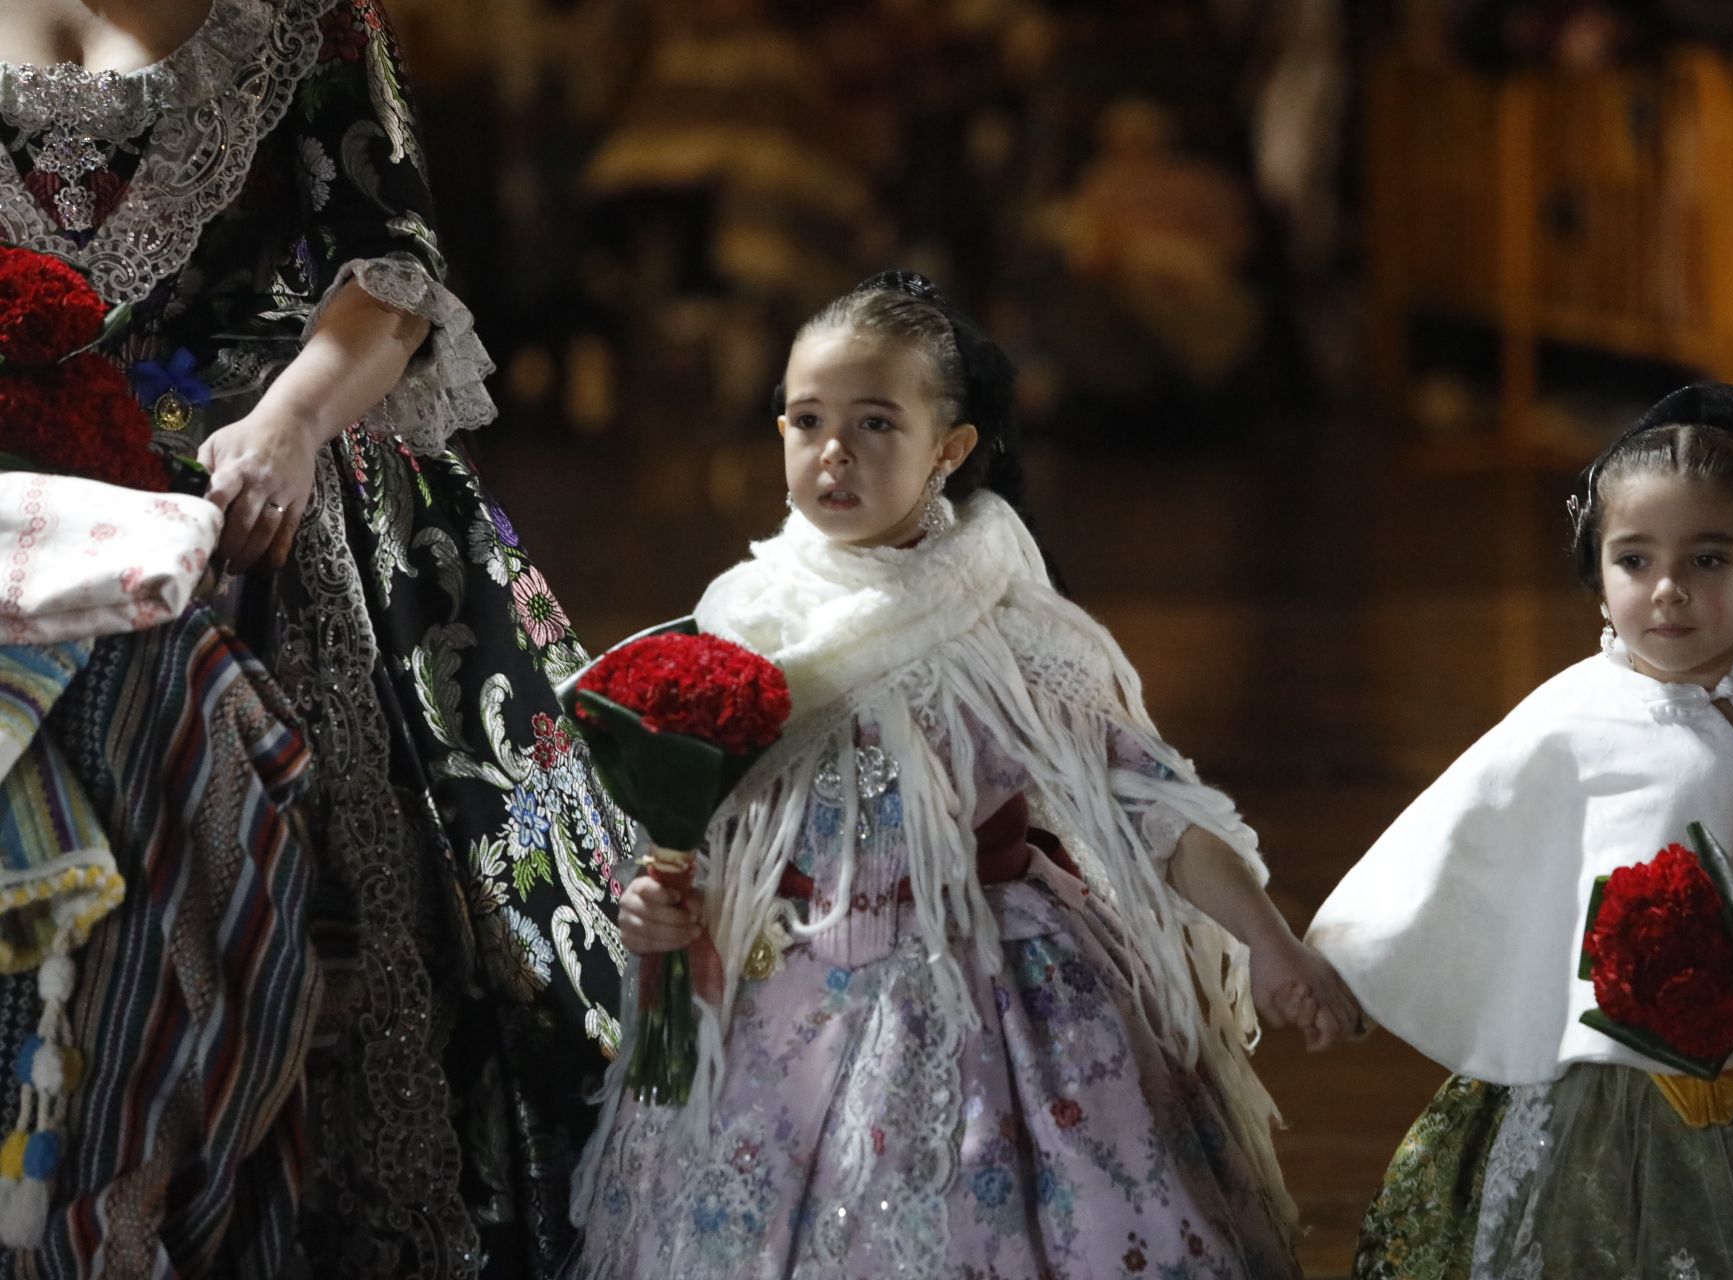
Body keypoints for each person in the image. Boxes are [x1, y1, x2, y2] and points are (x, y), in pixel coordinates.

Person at [0, 1, 626, 1275]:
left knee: (375, 916)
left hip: (264, 494)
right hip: (28, 514)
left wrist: (289, 422)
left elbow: (389, 269)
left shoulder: (306, 14)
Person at [568, 271, 1354, 1279]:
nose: (834, 451)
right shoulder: (743, 617)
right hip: (788, 993)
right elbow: (709, 834)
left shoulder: (1007, 628)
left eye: (875, 423)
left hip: (987, 976)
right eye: (807, 420)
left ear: (951, 448)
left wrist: (1271, 943)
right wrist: (662, 899)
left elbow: (1153, 801)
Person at [1306, 383, 1733, 1279]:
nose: (1668, 591)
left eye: (1709, 560)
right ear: (1598, 570)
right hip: (1601, 1078)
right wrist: (1343, 965)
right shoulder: (1571, 721)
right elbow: (1451, 847)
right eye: (1635, 560)